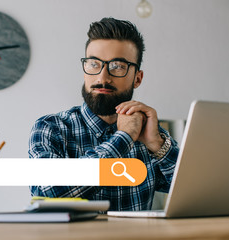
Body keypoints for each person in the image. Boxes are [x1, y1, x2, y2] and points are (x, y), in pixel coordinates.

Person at [28, 17, 179, 211]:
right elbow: (46, 193)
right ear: (84, 71)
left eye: (117, 66)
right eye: (93, 64)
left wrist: (158, 146)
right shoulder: (51, 128)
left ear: (137, 79)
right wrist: (123, 138)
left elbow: (197, 191)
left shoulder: (148, 134)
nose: (102, 77)